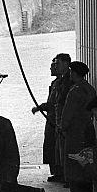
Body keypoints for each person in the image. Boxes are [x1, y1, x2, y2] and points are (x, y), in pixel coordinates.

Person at [59, 60, 96, 192]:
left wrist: (62, 126)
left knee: (73, 160)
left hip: (75, 131)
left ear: (73, 73)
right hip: (88, 129)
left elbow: (68, 112)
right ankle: (88, 190)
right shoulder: (90, 89)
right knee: (87, 157)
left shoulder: (75, 91)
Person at [31, 52, 72, 182]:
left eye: (57, 64)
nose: (54, 67)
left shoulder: (68, 82)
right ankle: (57, 172)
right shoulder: (56, 82)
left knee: (60, 148)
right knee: (51, 147)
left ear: (66, 64)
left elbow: (60, 102)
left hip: (59, 121)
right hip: (52, 119)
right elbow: (51, 103)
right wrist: (40, 107)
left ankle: (64, 174)